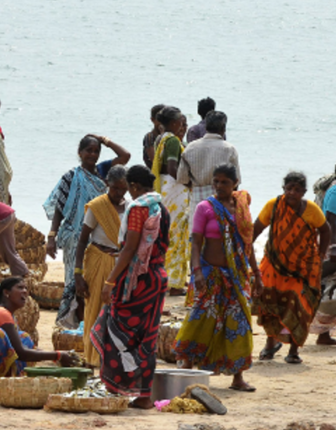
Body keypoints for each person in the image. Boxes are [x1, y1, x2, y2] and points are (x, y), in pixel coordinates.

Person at [173, 164, 259, 391]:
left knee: (239, 322)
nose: (219, 186)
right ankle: (188, 367)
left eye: (225, 182)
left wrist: (256, 274)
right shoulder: (205, 208)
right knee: (201, 318)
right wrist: (197, 272)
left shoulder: (241, 206)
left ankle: (237, 377)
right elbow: (196, 243)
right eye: (216, 182)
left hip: (236, 275)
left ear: (235, 183)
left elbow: (247, 244)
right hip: (210, 274)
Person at [90, 165, 170, 409]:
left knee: (113, 329)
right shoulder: (161, 208)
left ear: (134, 187)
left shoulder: (139, 209)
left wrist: (110, 280)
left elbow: (130, 248)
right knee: (147, 336)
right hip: (157, 276)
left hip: (137, 280)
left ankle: (116, 387)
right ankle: (144, 395)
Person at [44, 134, 130, 327]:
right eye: (88, 150)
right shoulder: (71, 177)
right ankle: (76, 323)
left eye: (96, 150)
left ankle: (91, 323)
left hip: (99, 238)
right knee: (75, 281)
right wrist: (52, 236)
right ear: (80, 152)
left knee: (93, 282)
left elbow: (125, 155)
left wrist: (104, 139)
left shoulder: (103, 172)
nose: (92, 154)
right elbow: (59, 206)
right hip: (75, 237)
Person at [0, 276, 78, 393]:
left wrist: (58, 358)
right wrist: (58, 355)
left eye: (26, 288)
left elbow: (24, 349)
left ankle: (2, 383)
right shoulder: (1, 313)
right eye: (20, 288)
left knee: (23, 338)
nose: (25, 292)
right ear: (6, 293)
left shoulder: (6, 314)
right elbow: (21, 353)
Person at [254, 172, 329, 365]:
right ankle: (270, 344)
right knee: (270, 303)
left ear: (304, 192)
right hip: (274, 262)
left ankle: (294, 350)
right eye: (288, 189)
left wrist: (320, 256)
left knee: (299, 305)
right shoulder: (273, 206)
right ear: (283, 189)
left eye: (297, 190)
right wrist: (246, 253)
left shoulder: (311, 210)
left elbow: (325, 229)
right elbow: (257, 228)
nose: (292, 193)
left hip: (302, 268)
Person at [74, 165, 129, 367]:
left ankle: (110, 359)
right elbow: (82, 241)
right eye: (115, 188)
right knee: (95, 308)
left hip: (120, 263)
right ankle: (91, 358)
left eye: (123, 188)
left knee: (116, 312)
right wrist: (78, 273)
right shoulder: (97, 207)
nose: (119, 193)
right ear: (107, 184)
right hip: (98, 260)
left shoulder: (130, 207)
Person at [177, 111, 241, 233]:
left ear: (206, 128)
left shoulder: (190, 147)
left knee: (197, 238)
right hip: (222, 200)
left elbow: (182, 178)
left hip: (197, 198)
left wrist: (197, 187)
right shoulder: (229, 149)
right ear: (223, 128)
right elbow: (236, 182)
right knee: (221, 238)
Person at [152, 106, 190, 295]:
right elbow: (173, 167)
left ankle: (166, 277)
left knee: (168, 234)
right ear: (174, 123)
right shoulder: (173, 141)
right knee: (176, 234)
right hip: (175, 189)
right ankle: (174, 283)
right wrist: (190, 182)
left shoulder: (161, 138)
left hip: (166, 189)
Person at [310, 179, 336, 345]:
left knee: (328, 289)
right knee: (323, 286)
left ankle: (324, 334)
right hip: (330, 246)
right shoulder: (334, 192)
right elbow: (331, 222)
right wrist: (333, 249)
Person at [142, 103, 165, 169]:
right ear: (152, 120)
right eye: (159, 120)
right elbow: (154, 160)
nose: (162, 123)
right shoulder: (149, 137)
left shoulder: (170, 136)